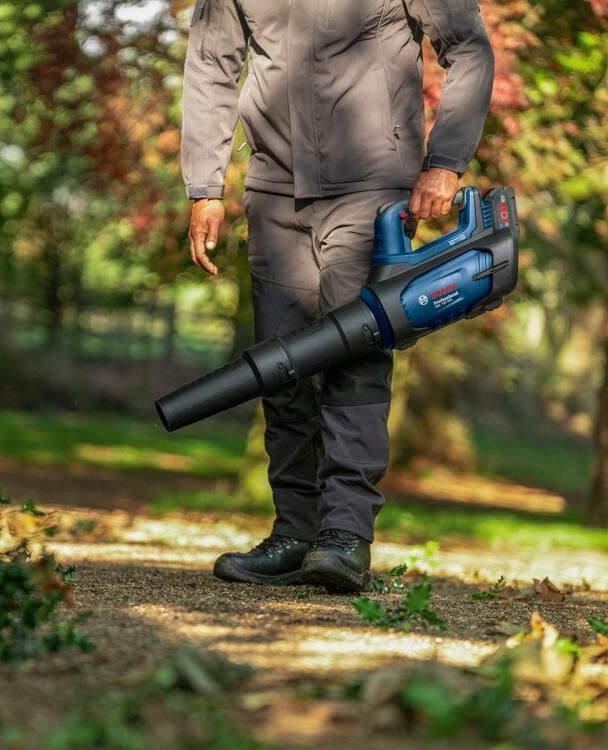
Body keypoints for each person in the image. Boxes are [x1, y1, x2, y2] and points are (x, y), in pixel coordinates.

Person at [181, 0, 494, 591]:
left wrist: (446, 161)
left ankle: (345, 536)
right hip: (274, 187)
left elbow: (468, 45)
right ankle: (295, 533)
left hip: (374, 181)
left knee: (353, 350)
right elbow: (211, 62)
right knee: (279, 364)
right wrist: (204, 184)